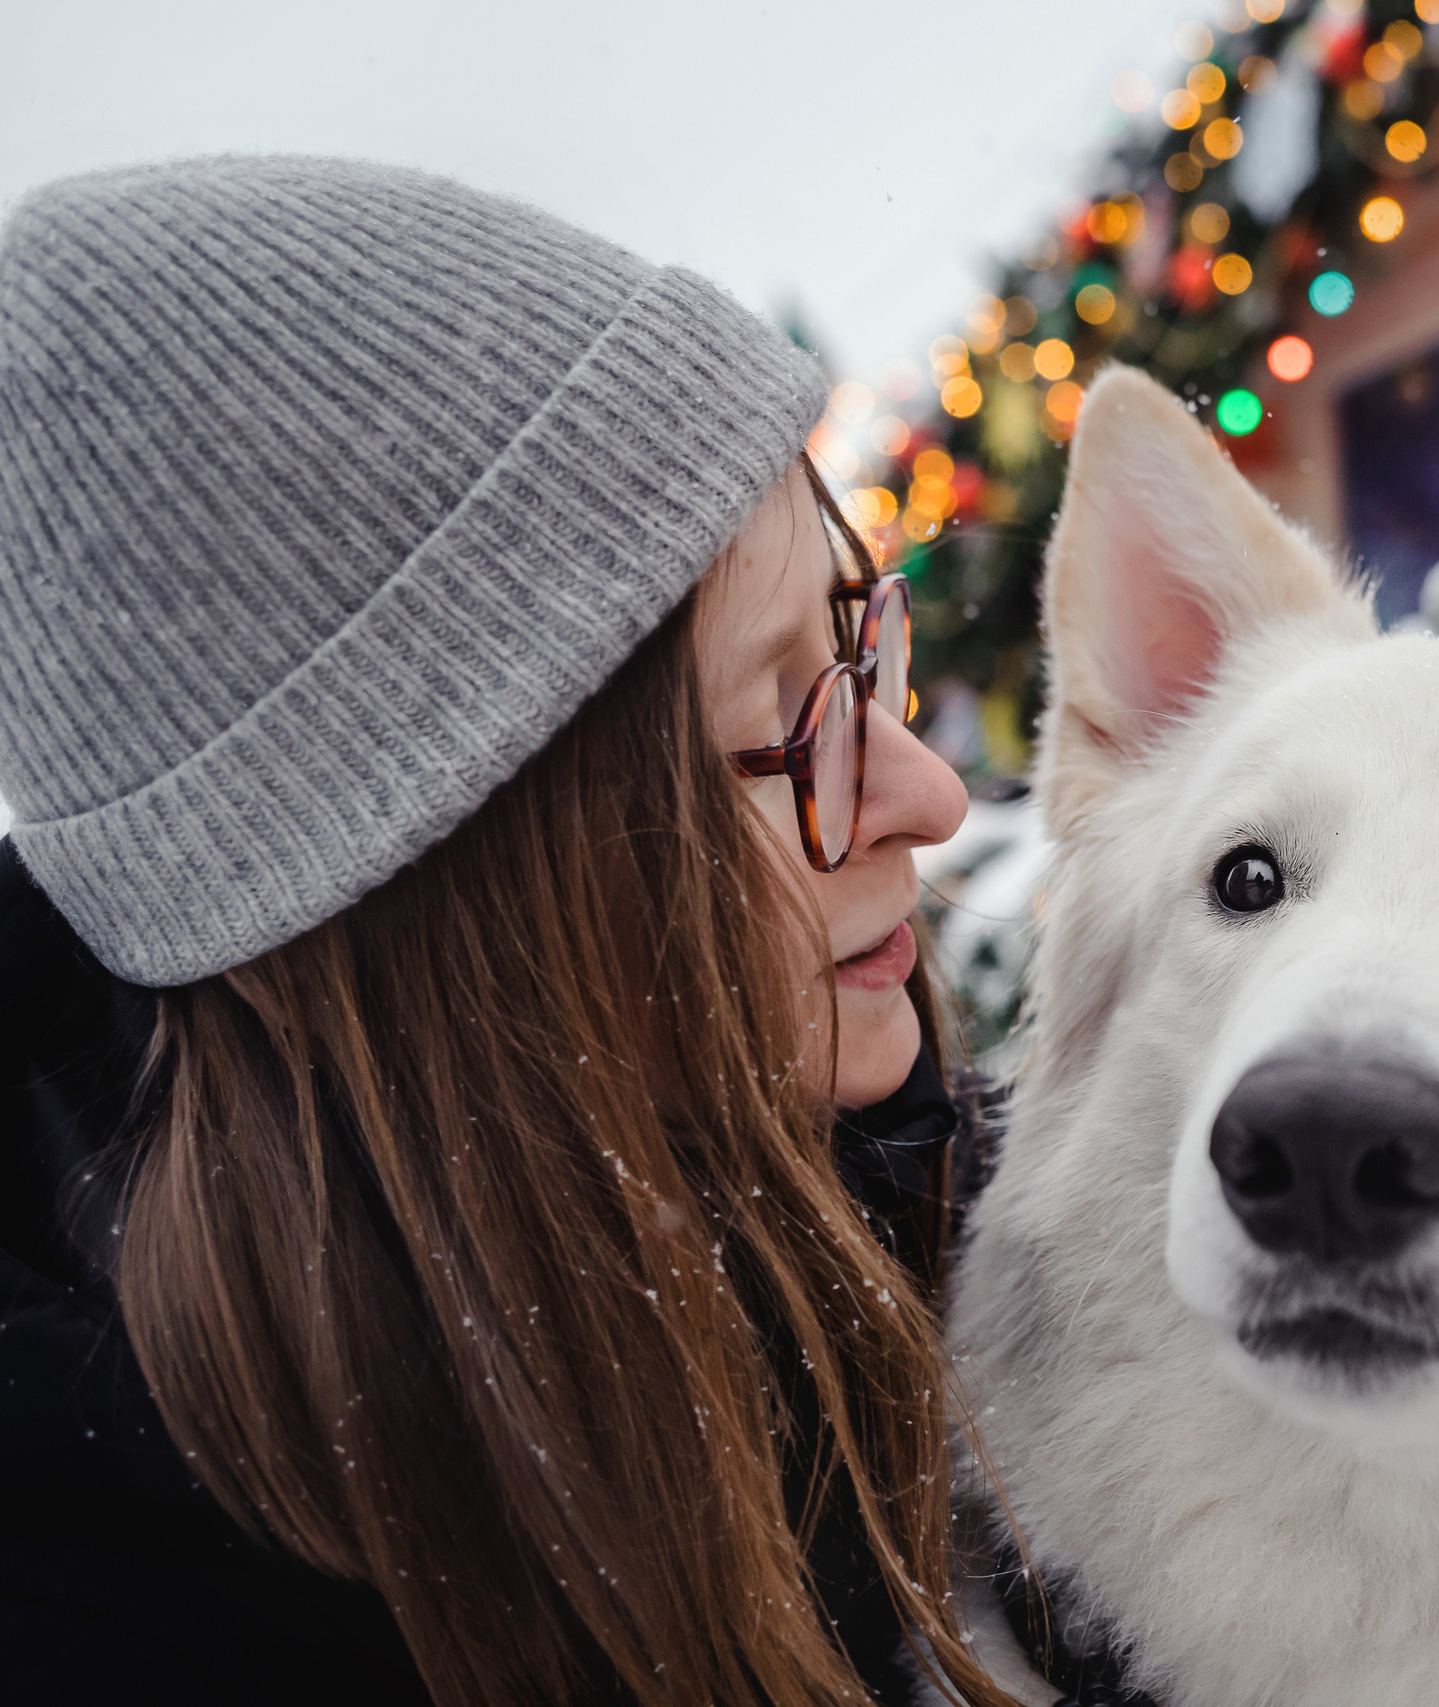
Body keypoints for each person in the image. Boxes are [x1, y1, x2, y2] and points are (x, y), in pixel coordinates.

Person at [0, 156, 1008, 1707]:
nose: (926, 796)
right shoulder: (115, 1620)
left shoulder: (979, 1230)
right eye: (771, 726)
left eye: (857, 649)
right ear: (449, 910)